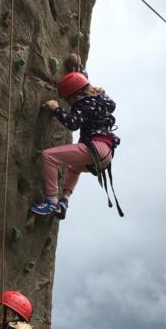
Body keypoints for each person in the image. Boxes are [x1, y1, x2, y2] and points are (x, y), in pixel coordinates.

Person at [31, 65, 121, 218]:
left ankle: (52, 201)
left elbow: (73, 123)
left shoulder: (82, 103)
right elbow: (83, 86)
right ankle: (64, 200)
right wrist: (81, 74)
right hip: (106, 153)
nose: (69, 102)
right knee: (74, 168)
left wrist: (56, 109)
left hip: (94, 148)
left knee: (48, 156)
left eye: (67, 99)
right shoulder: (100, 99)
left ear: (73, 96)